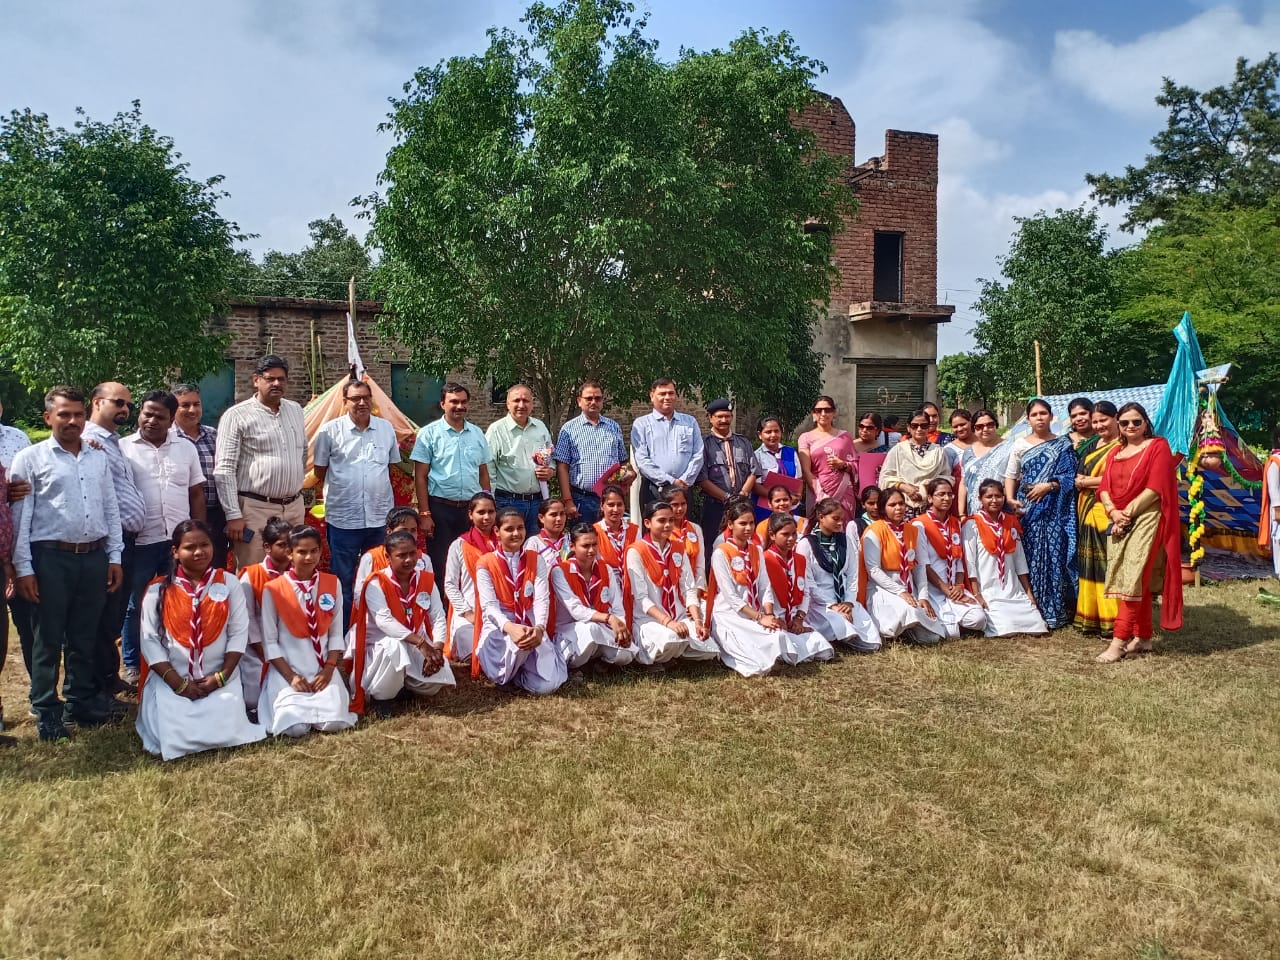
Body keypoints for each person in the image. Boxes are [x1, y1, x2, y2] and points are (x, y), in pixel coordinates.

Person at [10, 386, 125, 741]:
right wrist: (24, 568)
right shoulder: (30, 458)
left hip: (93, 556)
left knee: (84, 634)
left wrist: (114, 555)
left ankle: (80, 702)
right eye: (64, 414)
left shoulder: (96, 456)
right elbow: (20, 519)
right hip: (50, 558)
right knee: (47, 637)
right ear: (48, 417)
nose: (73, 421)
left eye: (78, 414)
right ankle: (46, 709)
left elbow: (110, 507)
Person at [135, 519, 266, 760]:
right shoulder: (158, 590)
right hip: (172, 681)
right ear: (175, 552)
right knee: (174, 733)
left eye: (204, 545)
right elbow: (150, 641)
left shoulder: (229, 583)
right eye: (190, 547)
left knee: (226, 729)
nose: (199, 552)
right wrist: (178, 683)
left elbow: (238, 633)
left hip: (219, 678)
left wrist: (221, 677)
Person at [120, 390, 206, 689]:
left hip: (177, 543)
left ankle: (175, 657)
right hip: (141, 541)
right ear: (139, 414)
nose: (152, 420)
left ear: (171, 420)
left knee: (177, 598)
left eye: (160, 416)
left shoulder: (185, 449)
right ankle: (133, 663)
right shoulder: (123, 448)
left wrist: (197, 534)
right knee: (136, 604)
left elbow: (196, 492)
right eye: (147, 414)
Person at [1095, 402, 1184, 663]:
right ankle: (1143, 637)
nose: (1131, 426)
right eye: (1125, 423)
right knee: (1133, 578)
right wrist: (1113, 512)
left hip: (1147, 518)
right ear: (1119, 426)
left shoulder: (1157, 446)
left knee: (1133, 578)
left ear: (1146, 423)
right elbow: (1103, 487)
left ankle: (1118, 642)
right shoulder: (1115, 452)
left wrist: (1126, 513)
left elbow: (1156, 488)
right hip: (1119, 519)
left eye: (1137, 421)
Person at [312, 377, 401, 632]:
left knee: (379, 577)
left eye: (365, 397)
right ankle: (342, 635)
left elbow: (391, 466)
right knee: (343, 579)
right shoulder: (330, 431)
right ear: (345, 402)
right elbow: (319, 470)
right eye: (355, 398)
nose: (361, 403)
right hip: (343, 518)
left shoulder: (385, 429)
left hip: (379, 517)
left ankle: (375, 631)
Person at [258, 525, 356, 736]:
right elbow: (269, 641)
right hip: (288, 670)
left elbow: (335, 633)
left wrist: (329, 669)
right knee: (294, 728)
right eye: (302, 552)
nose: (309, 557)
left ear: (321, 551)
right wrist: (291, 676)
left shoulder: (332, 583)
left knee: (335, 723)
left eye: (314, 551)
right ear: (289, 553)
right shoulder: (274, 589)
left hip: (322, 669)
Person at [214, 355, 307, 568]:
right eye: (270, 379)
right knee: (254, 570)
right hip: (255, 509)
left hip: (293, 507)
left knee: (292, 570)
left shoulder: (295, 410)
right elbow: (224, 469)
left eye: (281, 379)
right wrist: (233, 514)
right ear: (256, 380)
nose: (276, 383)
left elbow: (302, 451)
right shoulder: (236, 415)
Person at [350, 530, 453, 716]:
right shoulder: (375, 583)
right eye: (401, 555)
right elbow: (385, 622)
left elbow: (438, 616)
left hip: (415, 642)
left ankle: (403, 687)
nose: (409, 560)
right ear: (388, 557)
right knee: (395, 646)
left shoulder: (425, 579)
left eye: (412, 553)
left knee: (436, 680)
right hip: (381, 645)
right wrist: (421, 643)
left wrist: (437, 649)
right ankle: (382, 698)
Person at [84, 381, 146, 690]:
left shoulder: (112, 442)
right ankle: (97, 686)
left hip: (126, 541)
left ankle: (108, 679)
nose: (125, 409)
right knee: (103, 615)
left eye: (128, 405)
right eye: (118, 402)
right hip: (109, 541)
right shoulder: (88, 440)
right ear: (97, 402)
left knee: (114, 615)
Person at [473, 508, 566, 694]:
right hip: (501, 625)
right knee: (504, 667)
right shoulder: (485, 562)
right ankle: (508, 672)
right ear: (497, 531)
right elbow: (489, 606)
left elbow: (541, 598)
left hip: (530, 621)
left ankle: (520, 676)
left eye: (520, 528)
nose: (516, 533)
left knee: (547, 686)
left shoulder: (536, 559)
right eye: (509, 529)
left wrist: (539, 628)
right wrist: (511, 628)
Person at [1004, 399, 1078, 629]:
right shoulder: (1019, 444)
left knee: (1055, 554)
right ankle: (1031, 608)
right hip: (1028, 509)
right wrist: (1010, 499)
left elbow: (1070, 476)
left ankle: (1056, 610)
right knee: (1031, 555)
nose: (1039, 418)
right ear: (1028, 419)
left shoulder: (1063, 445)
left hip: (1056, 507)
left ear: (1051, 416)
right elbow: (1011, 475)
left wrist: (1049, 486)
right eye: (1034, 414)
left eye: (1043, 413)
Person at [411, 382, 492, 584]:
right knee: (441, 563)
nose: (459, 406)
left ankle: (469, 601)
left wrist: (487, 506)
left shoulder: (477, 433)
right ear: (442, 404)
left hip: (470, 509)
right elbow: (420, 476)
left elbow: (483, 472)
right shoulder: (429, 434)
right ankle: (442, 603)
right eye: (454, 402)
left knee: (472, 559)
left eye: (463, 402)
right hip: (440, 509)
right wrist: (425, 513)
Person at [623, 498, 714, 666]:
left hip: (678, 615)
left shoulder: (678, 547)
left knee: (709, 646)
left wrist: (697, 621)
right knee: (670, 638)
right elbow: (641, 598)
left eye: (671, 520)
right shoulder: (636, 551)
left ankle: (676, 651)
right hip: (650, 618)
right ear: (647, 523)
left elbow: (689, 588)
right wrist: (668, 622)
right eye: (662, 520)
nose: (668, 525)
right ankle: (670, 652)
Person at [859, 488, 946, 646]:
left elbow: (919, 566)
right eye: (892, 505)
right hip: (883, 589)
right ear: (883, 508)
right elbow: (873, 570)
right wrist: (900, 591)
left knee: (932, 637)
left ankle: (908, 630)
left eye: (901, 503)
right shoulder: (874, 531)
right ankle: (895, 630)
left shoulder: (913, 530)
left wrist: (923, 597)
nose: (898, 508)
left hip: (909, 587)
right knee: (908, 611)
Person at [962, 480, 1048, 637]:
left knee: (1038, 626)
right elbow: (970, 563)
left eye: (998, 496)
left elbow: (1019, 560)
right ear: (980, 499)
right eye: (989, 497)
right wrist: (977, 594)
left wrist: (1028, 593)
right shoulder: (972, 524)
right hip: (988, 590)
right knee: (1006, 629)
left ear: (1004, 498)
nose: (994, 500)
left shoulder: (1010, 522)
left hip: (1012, 589)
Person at [795, 498, 879, 651]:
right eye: (835, 519)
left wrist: (848, 602)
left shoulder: (845, 541)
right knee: (841, 624)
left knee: (873, 643)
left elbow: (853, 574)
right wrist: (832, 605)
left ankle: (843, 635)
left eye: (842, 519)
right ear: (821, 517)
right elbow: (809, 582)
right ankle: (836, 636)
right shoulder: (806, 544)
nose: (840, 523)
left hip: (844, 599)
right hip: (820, 603)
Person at [549, 522, 635, 670]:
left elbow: (617, 606)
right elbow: (576, 610)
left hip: (601, 625)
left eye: (594, 544)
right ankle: (575, 666)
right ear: (572, 546)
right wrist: (609, 618)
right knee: (590, 630)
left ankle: (598, 661)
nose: (591, 550)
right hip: (570, 629)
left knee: (626, 655)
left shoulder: (605, 568)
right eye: (585, 546)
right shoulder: (560, 571)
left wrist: (621, 627)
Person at [911, 478, 986, 639]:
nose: (946, 498)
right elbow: (924, 565)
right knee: (949, 634)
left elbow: (958, 560)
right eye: (941, 494)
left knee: (979, 619)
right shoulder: (919, 525)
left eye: (950, 494)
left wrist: (959, 586)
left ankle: (955, 622)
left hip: (953, 587)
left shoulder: (955, 523)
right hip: (932, 588)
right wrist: (947, 591)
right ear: (930, 498)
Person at [553, 380, 634, 524]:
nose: (593, 402)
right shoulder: (569, 429)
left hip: (610, 500)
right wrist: (567, 500)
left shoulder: (613, 427)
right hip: (582, 499)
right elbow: (562, 467)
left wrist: (629, 472)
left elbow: (623, 461)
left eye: (598, 398)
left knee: (612, 537)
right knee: (583, 537)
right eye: (589, 398)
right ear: (579, 401)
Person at [760, 512, 836, 666]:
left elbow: (805, 591)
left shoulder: (799, 559)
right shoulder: (765, 559)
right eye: (785, 534)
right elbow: (764, 593)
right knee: (785, 646)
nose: (791, 538)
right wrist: (773, 617)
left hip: (794, 619)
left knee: (825, 651)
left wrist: (799, 619)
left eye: (794, 534)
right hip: (775, 618)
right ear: (772, 535)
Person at [237, 516, 293, 718]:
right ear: (267, 547)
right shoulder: (251, 575)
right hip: (257, 649)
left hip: (290, 643)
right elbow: (248, 618)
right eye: (282, 545)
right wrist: (264, 650)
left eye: (291, 544)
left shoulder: (298, 573)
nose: (288, 549)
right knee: (255, 699)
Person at [1073, 401, 1121, 635]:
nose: (1100, 425)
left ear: (1116, 418)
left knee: (1107, 564)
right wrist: (1082, 482)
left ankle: (1114, 619)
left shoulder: (1123, 445)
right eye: (1096, 421)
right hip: (1087, 508)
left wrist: (1086, 482)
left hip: (1109, 510)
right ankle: (1090, 616)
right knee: (1089, 563)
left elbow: (1121, 477)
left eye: (1104, 420)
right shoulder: (1092, 444)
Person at [171, 383, 229, 570]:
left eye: (196, 404)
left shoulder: (214, 435)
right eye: (185, 405)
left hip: (216, 514)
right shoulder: (168, 438)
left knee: (215, 565)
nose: (192, 410)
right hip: (183, 515)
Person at [486, 384, 555, 535]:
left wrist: (550, 471)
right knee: (509, 546)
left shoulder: (540, 427)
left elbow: (551, 458)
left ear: (532, 403)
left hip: (537, 502)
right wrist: (490, 503)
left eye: (526, 401)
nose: (521, 405)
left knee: (535, 545)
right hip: (508, 502)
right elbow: (489, 469)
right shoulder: (496, 430)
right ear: (508, 403)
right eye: (516, 400)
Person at [442, 492, 499, 663]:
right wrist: (468, 613)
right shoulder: (459, 545)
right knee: (471, 648)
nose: (486, 517)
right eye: (481, 512)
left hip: (500, 609)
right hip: (469, 611)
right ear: (470, 515)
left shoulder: (504, 542)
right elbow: (450, 585)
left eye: (491, 512)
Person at [631, 378, 704, 508]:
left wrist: (684, 481)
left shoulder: (690, 422)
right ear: (652, 396)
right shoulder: (641, 424)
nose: (667, 397)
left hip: (684, 489)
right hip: (654, 490)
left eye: (671, 393)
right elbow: (642, 460)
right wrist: (671, 481)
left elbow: (698, 454)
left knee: (683, 522)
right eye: (662, 394)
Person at [698, 398, 757, 557]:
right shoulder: (704, 444)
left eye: (727, 416)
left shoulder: (743, 442)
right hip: (715, 506)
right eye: (719, 416)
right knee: (712, 547)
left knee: (744, 546)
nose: (724, 420)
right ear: (710, 418)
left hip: (742, 505)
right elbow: (702, 479)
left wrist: (742, 494)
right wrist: (727, 498)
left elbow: (754, 471)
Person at [879, 408, 951, 516]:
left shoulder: (938, 451)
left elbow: (947, 477)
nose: (919, 429)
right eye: (914, 426)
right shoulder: (898, 450)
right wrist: (903, 487)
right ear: (908, 427)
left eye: (924, 426)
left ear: (928, 427)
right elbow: (885, 478)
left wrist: (928, 487)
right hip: (902, 508)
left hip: (931, 506)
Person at [797, 396, 857, 518]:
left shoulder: (845, 436)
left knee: (844, 525)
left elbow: (856, 463)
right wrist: (820, 494)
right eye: (819, 410)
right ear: (813, 413)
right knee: (820, 525)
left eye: (828, 410)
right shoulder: (806, 438)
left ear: (834, 412)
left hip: (844, 489)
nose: (823, 414)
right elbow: (806, 470)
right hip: (818, 490)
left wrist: (843, 465)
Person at [354, 506, 425, 589]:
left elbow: (428, 590)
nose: (409, 535)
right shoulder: (371, 558)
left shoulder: (424, 559)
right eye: (403, 530)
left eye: (413, 530)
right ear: (389, 532)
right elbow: (360, 592)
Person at [958, 410, 1012, 516]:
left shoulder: (1010, 448)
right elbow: (964, 483)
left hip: (1001, 512)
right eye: (979, 427)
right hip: (974, 514)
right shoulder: (968, 452)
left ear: (996, 425)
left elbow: (1014, 480)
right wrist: (962, 514)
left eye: (990, 425)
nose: (985, 429)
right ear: (973, 429)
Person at [663, 484, 706, 598]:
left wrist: (698, 590)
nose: (680, 509)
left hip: (693, 590)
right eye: (675, 505)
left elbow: (700, 564)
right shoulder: (662, 530)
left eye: (683, 504)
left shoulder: (695, 528)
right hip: (669, 591)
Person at [593, 484, 638, 579]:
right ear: (602, 506)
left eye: (619, 504)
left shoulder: (634, 530)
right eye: (611, 505)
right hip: (605, 583)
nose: (616, 509)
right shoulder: (594, 532)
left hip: (632, 584)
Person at [1260, 427, 1280, 578]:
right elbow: (1273, 488)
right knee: (1279, 539)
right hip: (1279, 508)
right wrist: (1277, 509)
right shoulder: (1275, 461)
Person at [526, 498, 569, 567]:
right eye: (553, 515)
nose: (559, 519)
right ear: (541, 518)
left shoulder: (570, 540)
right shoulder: (533, 543)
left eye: (562, 514)